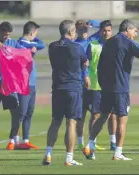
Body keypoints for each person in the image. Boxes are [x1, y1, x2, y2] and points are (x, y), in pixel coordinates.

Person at [83, 19, 139, 160]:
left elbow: (100, 65)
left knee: (103, 116)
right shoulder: (127, 42)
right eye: (135, 31)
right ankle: (118, 153)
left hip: (106, 87)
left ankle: (89, 144)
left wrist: (102, 83)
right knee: (122, 120)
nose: (135, 35)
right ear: (128, 29)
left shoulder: (108, 42)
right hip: (121, 88)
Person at [42, 20, 88, 166]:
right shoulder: (77, 47)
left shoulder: (52, 46)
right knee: (71, 123)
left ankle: (48, 154)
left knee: (55, 121)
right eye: (74, 31)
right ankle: (69, 158)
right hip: (73, 87)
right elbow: (84, 62)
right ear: (70, 32)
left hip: (57, 88)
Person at [74, 19, 116, 151]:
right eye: (81, 30)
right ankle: (82, 142)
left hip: (104, 84)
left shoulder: (93, 40)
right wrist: (85, 76)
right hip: (88, 83)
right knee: (83, 114)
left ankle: (101, 141)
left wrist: (91, 22)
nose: (84, 32)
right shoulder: (77, 44)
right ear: (76, 31)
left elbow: (104, 25)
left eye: (85, 29)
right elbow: (84, 63)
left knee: (105, 114)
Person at [6, 21, 45, 150]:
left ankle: (25, 140)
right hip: (24, 83)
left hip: (32, 82)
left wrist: (33, 43)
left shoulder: (28, 44)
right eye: (36, 32)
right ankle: (12, 140)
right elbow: (42, 45)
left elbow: (39, 45)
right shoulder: (22, 44)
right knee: (21, 113)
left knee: (29, 112)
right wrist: (34, 42)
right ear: (32, 32)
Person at [0, 21, 24, 150]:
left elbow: (22, 56)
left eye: (8, 35)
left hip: (9, 85)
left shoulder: (13, 44)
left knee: (16, 112)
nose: (6, 37)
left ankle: (12, 140)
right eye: (4, 35)